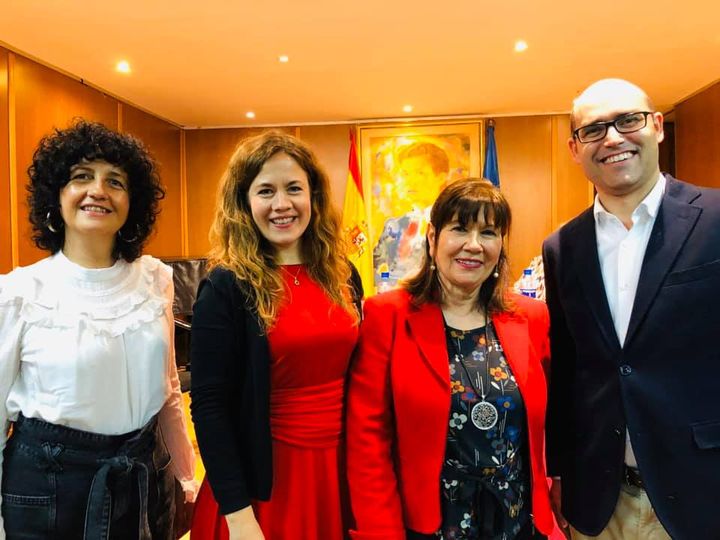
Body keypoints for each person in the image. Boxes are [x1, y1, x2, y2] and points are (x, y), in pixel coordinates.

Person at [0, 120, 197, 539]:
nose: (98, 190)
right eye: (81, 177)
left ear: (132, 202)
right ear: (56, 195)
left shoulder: (155, 280)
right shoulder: (18, 293)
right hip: (48, 490)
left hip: (144, 478)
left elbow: (168, 391)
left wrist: (186, 477)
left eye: (115, 181)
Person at [542, 78, 720, 540]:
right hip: (601, 501)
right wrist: (559, 471)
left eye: (628, 120)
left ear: (656, 126)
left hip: (702, 493)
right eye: (594, 129)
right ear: (575, 148)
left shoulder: (715, 219)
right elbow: (568, 369)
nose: (612, 138)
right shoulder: (562, 248)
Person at [347, 178, 554, 539]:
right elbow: (368, 442)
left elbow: (548, 425)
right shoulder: (387, 316)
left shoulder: (531, 317)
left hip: (517, 520)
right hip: (430, 524)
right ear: (433, 237)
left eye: (488, 232)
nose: (473, 245)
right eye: (459, 228)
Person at [189, 130, 362, 540]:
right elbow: (210, 408)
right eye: (266, 190)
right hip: (264, 485)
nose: (282, 204)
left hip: (339, 471)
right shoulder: (226, 286)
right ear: (244, 202)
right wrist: (238, 517)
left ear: (313, 196)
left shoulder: (342, 274)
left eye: (294, 188)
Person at [373, 141, 451, 289]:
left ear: (441, 177)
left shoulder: (449, 224)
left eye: (420, 173)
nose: (410, 181)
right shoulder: (393, 226)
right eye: (405, 173)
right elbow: (382, 267)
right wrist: (386, 284)